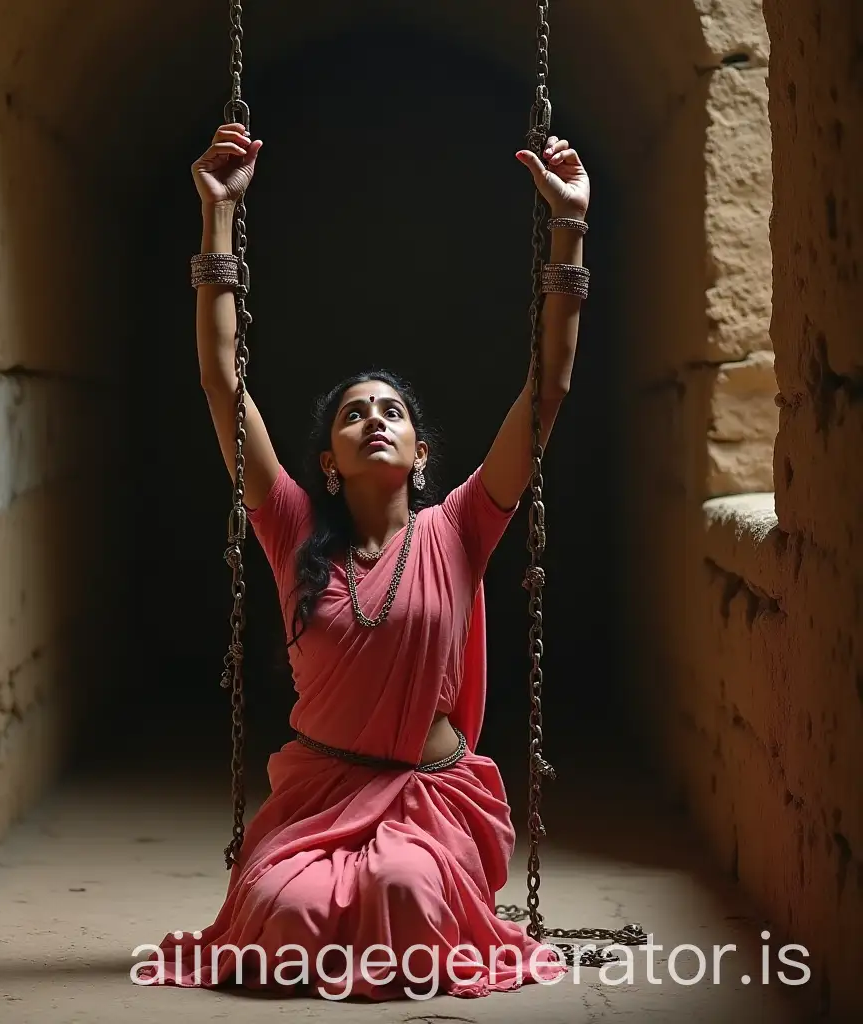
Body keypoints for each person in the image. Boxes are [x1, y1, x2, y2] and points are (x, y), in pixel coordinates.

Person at [134, 121, 590, 1000]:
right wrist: (218, 218)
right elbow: (222, 381)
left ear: (422, 453)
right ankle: (317, 898)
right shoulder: (292, 528)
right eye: (352, 414)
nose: (373, 419)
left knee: (407, 896)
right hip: (319, 800)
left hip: (430, 798)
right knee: (283, 918)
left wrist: (569, 231)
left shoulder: (462, 527)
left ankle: (411, 890)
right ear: (326, 464)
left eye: (391, 411)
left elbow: (550, 389)